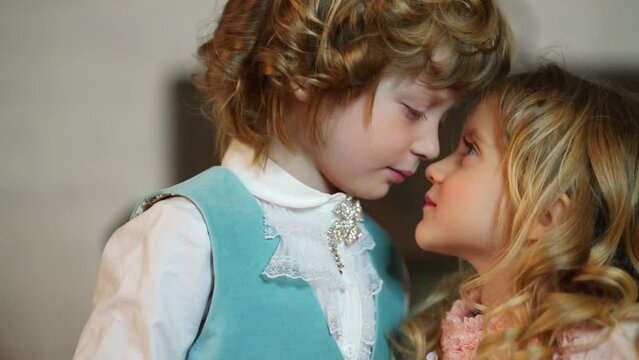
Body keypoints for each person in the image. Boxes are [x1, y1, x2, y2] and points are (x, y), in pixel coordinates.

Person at [73, 0, 510, 359]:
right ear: (308, 72)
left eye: (442, 118)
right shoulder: (183, 234)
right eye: (414, 110)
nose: (431, 146)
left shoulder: (378, 257)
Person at [394, 63, 639, 359]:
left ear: (544, 215)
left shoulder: (589, 349)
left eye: (471, 149)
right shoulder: (446, 332)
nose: (433, 169)